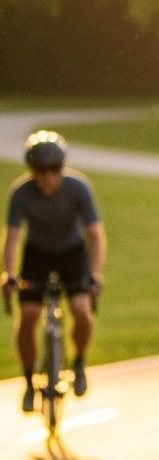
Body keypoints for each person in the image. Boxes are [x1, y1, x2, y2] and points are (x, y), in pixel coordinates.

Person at [3, 130, 105, 411]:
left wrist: (95, 274)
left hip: (72, 253)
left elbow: (94, 234)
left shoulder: (78, 188)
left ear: (62, 167)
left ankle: (79, 362)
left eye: (54, 169)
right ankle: (27, 381)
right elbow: (12, 237)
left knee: (82, 309)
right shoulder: (21, 192)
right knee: (30, 314)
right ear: (32, 170)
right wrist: (9, 274)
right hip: (37, 253)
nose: (48, 176)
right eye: (41, 170)